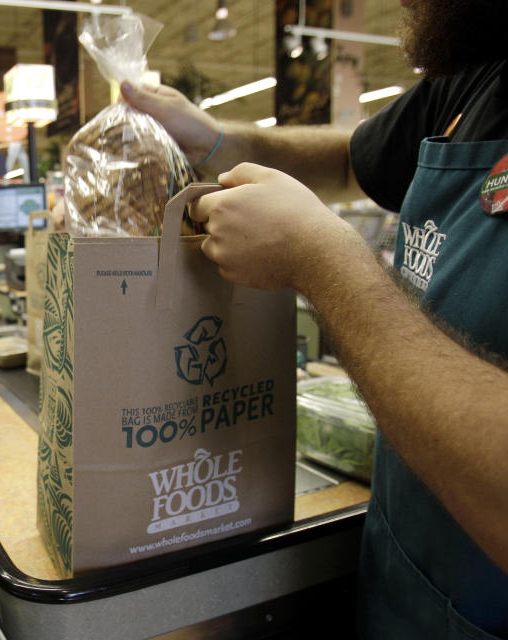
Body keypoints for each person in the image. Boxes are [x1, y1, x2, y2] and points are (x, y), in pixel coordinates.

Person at [121, 1, 508, 637]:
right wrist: (215, 140)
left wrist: (324, 263)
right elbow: (355, 160)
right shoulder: (480, 73)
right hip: (401, 587)